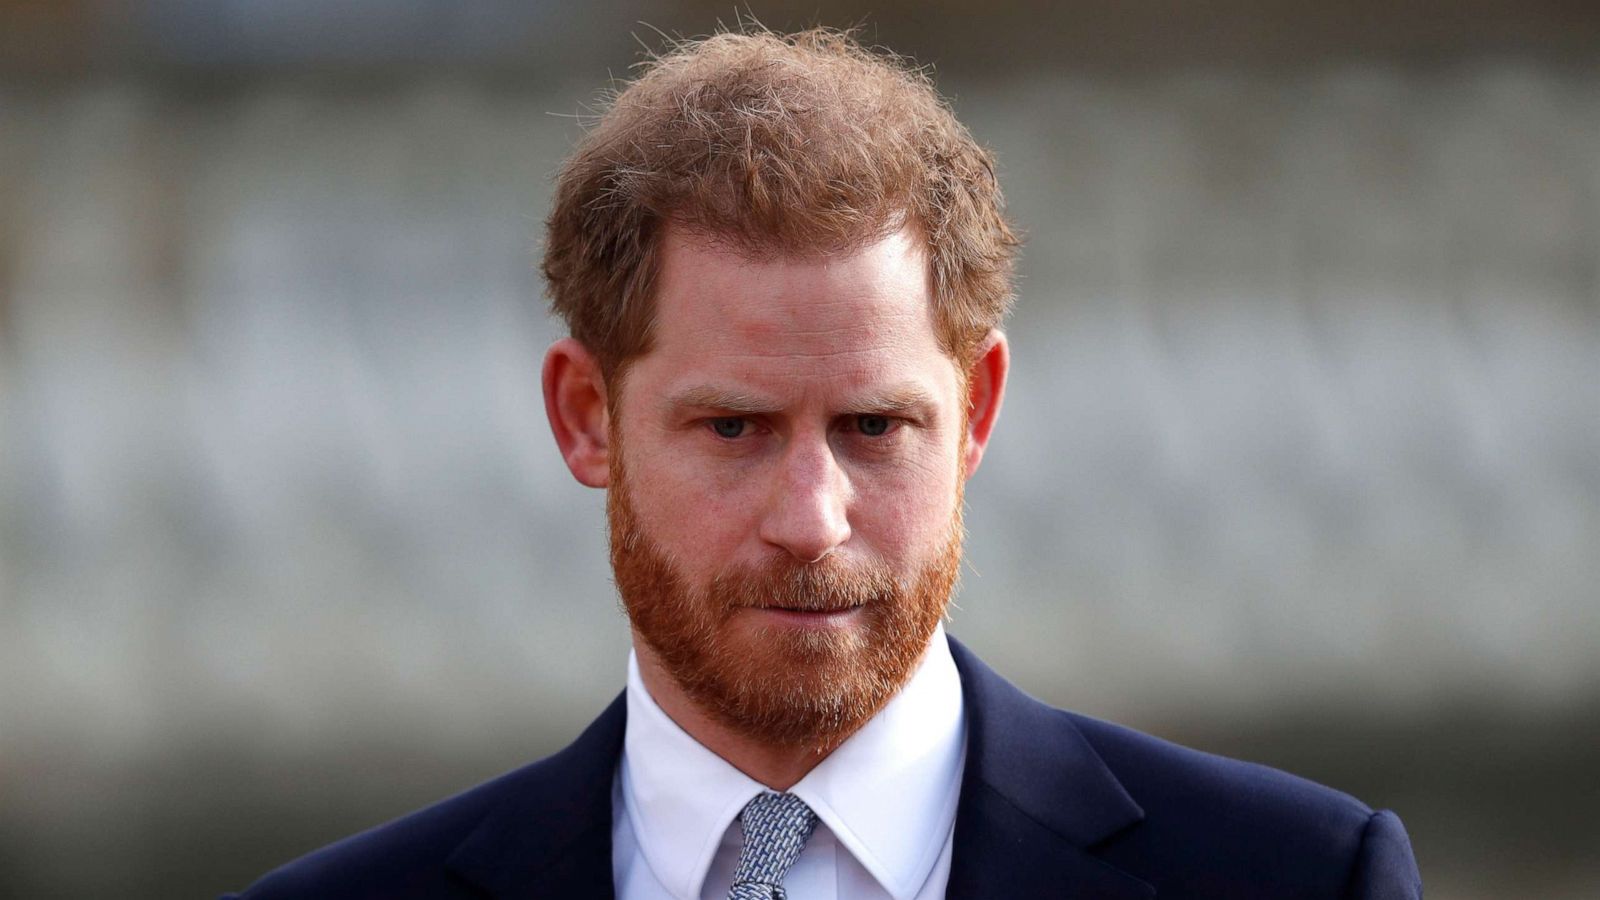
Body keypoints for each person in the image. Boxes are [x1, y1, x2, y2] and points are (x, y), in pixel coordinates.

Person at [225, 28, 1422, 900]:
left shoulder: (1294, 879)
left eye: (873, 428)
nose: (810, 520)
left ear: (978, 412)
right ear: (587, 416)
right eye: (734, 429)